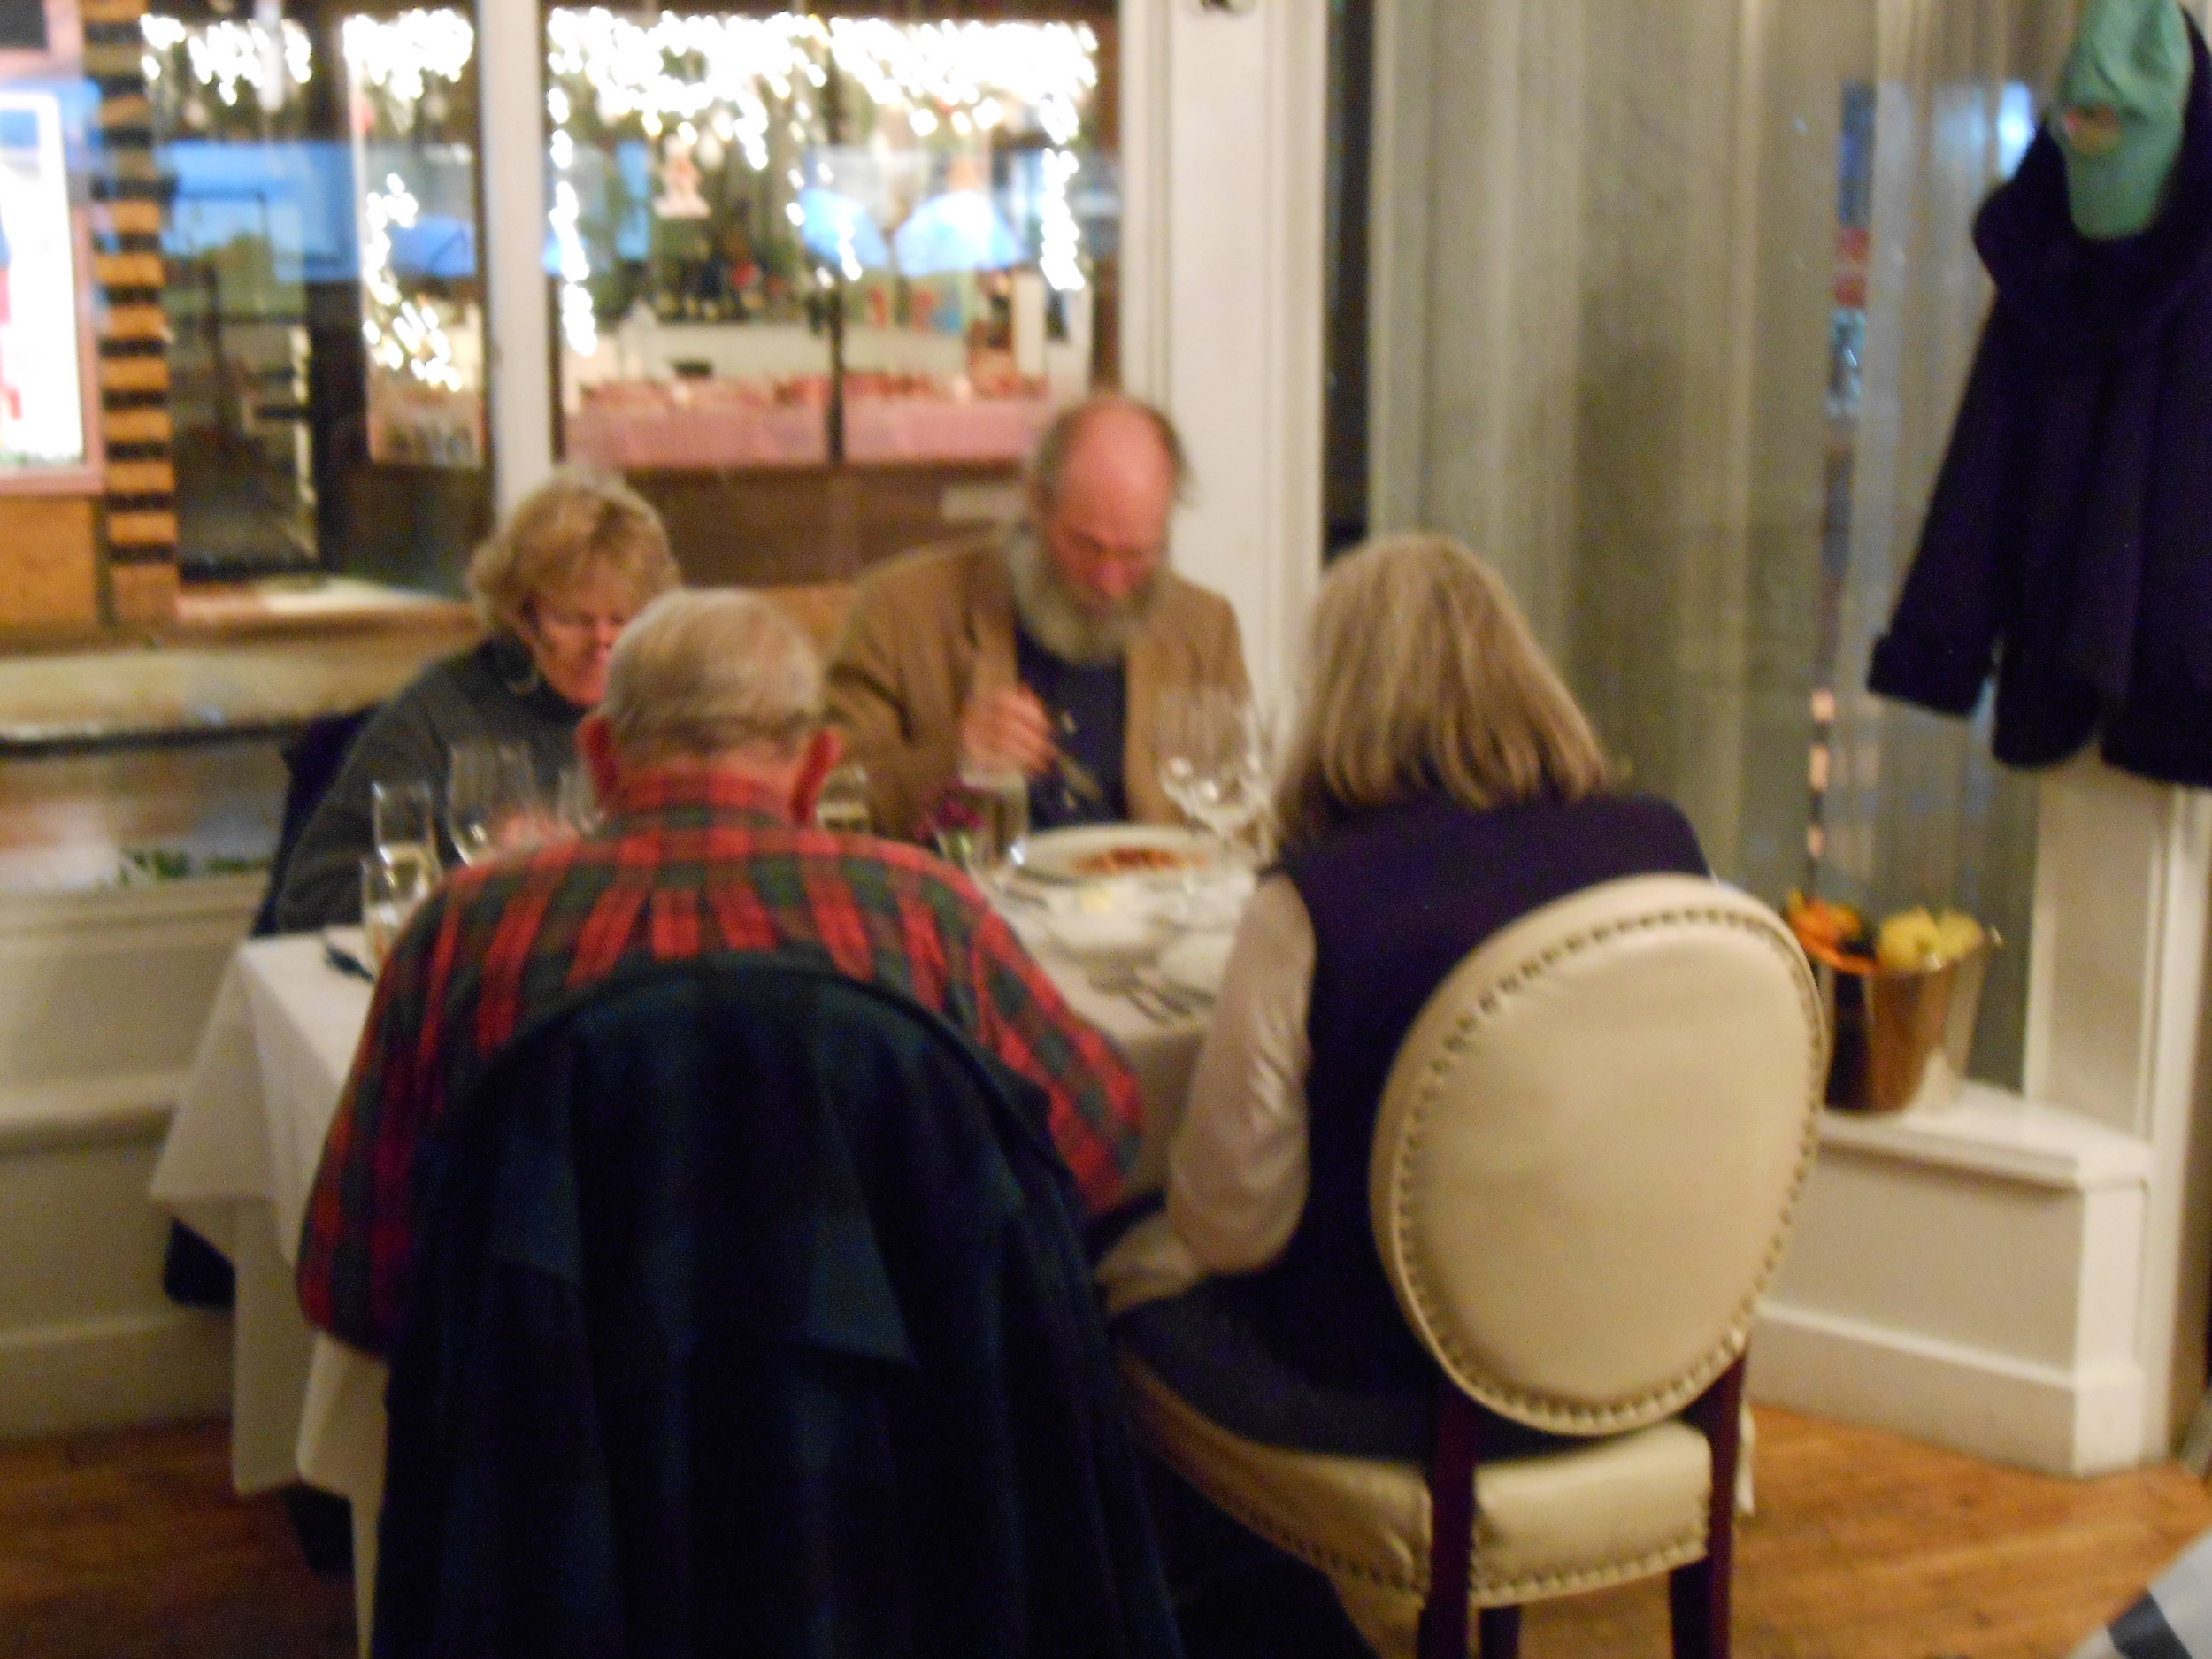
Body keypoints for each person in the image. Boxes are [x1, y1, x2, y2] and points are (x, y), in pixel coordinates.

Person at [296, 588, 1145, 1356]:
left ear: (600, 757)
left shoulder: (463, 929)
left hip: (556, 1479)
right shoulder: (928, 913)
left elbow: (353, 1282)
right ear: (816, 769)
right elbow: (1097, 1136)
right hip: (883, 1470)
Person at [1106, 533, 1709, 1455]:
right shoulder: (1661, 849)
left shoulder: (1318, 900)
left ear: (1333, 699)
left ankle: (1224, 1595)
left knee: (1101, 1277)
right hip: (1644, 1360)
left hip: (1391, 1398)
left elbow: (1230, 1227)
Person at [267, 470, 680, 931]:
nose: (602, 645)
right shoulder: (443, 713)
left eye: (622, 620)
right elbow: (311, 896)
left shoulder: (664, 710)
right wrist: (481, 876)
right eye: (572, 620)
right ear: (522, 615)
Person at [826, 394, 1248, 839]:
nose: (1110, 581)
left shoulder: (1204, 628)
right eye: (1088, 546)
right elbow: (832, 798)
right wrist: (953, 759)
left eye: (1137, 555)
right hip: (969, 902)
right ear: (1037, 505)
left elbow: (1238, 815)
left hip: (1154, 900)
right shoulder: (901, 610)